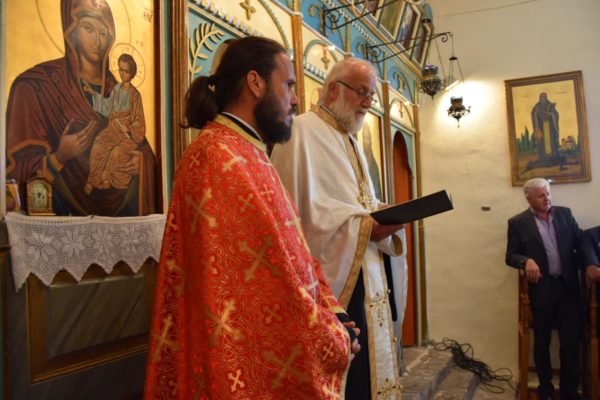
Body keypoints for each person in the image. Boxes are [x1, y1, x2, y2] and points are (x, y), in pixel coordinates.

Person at [145, 37, 357, 399]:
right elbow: (266, 283)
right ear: (255, 83)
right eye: (288, 84)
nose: (295, 99)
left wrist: (333, 316)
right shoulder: (216, 157)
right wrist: (331, 337)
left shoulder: (249, 152)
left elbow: (294, 256)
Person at [271, 57, 405, 400]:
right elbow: (294, 216)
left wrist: (381, 213)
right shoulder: (301, 132)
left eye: (371, 95)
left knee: (367, 375)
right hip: (332, 280)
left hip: (365, 270)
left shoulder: (351, 140)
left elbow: (354, 202)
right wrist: (365, 225)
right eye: (362, 92)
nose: (367, 103)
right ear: (334, 89)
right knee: (348, 379)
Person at [5, 0, 156, 216]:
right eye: (88, 28)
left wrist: (140, 162)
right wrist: (60, 156)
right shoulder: (36, 86)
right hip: (57, 218)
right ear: (71, 29)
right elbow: (16, 168)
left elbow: (143, 148)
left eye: (103, 33)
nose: (98, 41)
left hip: (118, 218)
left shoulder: (119, 90)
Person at [505, 178, 600, 400]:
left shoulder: (565, 214)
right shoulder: (518, 222)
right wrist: (526, 260)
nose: (547, 198)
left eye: (548, 193)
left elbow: (582, 241)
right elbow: (510, 256)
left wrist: (591, 263)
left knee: (570, 342)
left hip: (568, 289)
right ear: (528, 198)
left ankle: (569, 391)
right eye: (541, 195)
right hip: (542, 290)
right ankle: (545, 390)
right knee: (542, 343)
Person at [84, 53, 146, 194]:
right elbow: (108, 108)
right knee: (98, 145)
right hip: (112, 130)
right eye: (120, 69)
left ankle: (107, 179)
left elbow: (140, 122)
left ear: (132, 73)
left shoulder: (135, 95)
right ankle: (92, 180)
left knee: (116, 152)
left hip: (126, 136)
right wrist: (93, 93)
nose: (122, 74)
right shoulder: (116, 90)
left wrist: (128, 128)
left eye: (126, 71)